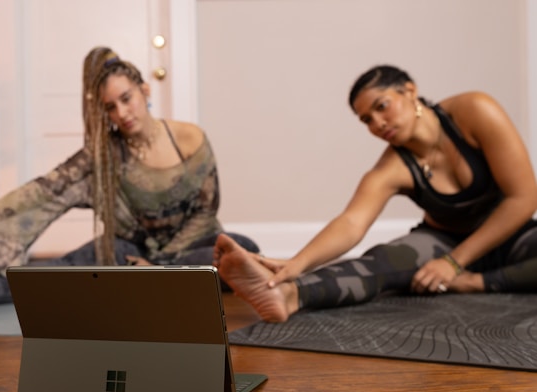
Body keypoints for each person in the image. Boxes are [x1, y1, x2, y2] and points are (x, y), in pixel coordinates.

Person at [0, 46, 259, 313]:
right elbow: (41, 192)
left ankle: (157, 280)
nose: (122, 113)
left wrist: (156, 266)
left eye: (127, 99)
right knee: (72, 268)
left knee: (242, 250)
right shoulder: (103, 156)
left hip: (191, 247)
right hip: (130, 254)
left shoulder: (189, 138)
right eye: (110, 107)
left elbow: (205, 212)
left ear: (144, 90)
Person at [214, 64, 537, 323]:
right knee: (380, 262)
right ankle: (290, 295)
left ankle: (478, 282)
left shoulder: (473, 111)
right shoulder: (391, 167)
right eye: (366, 119)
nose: (378, 124)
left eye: (382, 107)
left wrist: (457, 266)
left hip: (509, 235)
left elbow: (523, 198)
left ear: (410, 91)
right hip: (442, 240)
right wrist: (295, 265)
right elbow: (352, 223)